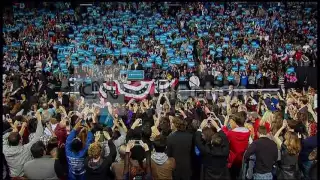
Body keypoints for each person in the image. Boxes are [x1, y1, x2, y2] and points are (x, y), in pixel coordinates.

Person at [2, 112, 43, 178]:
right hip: (26, 175)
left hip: (13, 176)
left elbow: (3, 138)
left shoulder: (4, 149)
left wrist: (13, 129)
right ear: (21, 140)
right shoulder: (26, 148)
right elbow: (38, 135)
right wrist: (39, 119)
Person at [222, 112, 250, 179]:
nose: (230, 124)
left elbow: (223, 135)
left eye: (231, 122)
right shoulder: (247, 132)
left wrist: (224, 125)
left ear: (235, 122)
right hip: (242, 160)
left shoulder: (231, 133)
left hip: (232, 161)